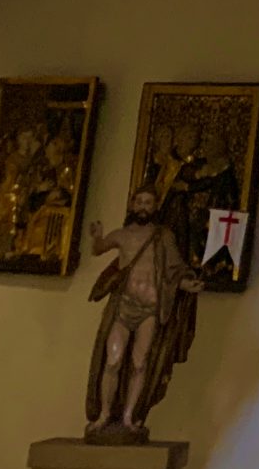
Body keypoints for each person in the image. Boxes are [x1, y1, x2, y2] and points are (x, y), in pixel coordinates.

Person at [85, 188, 202, 444]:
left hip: (149, 308)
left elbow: (172, 270)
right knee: (113, 360)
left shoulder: (163, 237)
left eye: (148, 202)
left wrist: (187, 284)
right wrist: (96, 237)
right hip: (124, 306)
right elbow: (99, 248)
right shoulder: (123, 235)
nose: (143, 207)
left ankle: (128, 417)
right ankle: (104, 414)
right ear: (132, 204)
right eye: (139, 201)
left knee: (140, 362)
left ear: (155, 206)